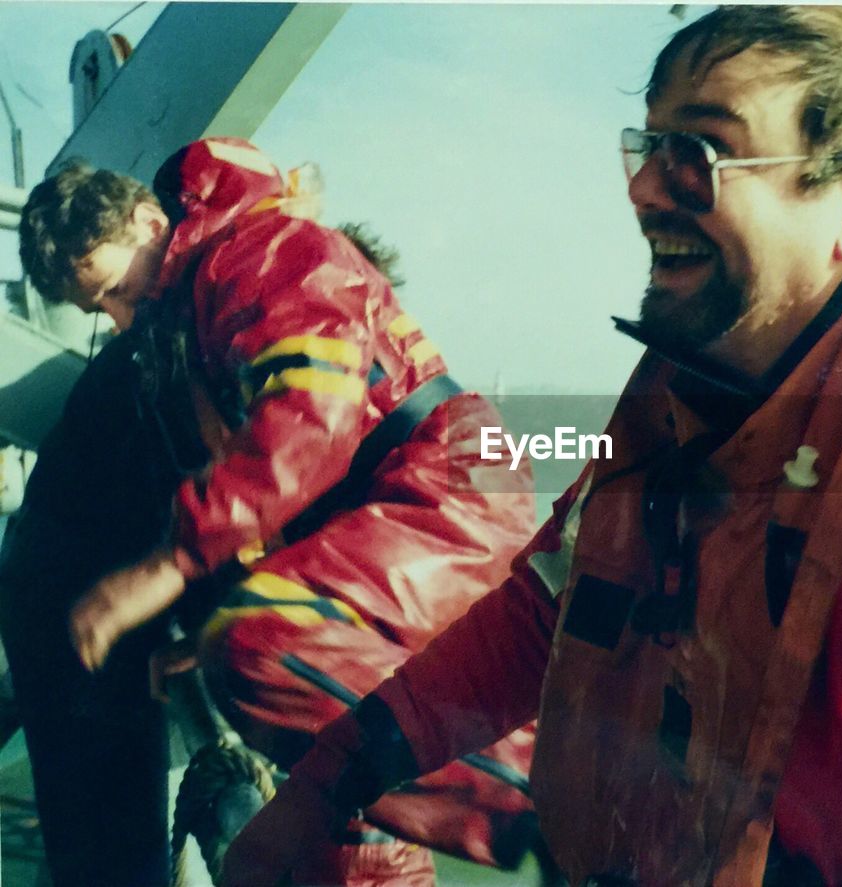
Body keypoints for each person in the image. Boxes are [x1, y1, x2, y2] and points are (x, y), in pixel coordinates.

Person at [224, 6, 842, 886]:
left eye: (701, 152)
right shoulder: (688, 394)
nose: (644, 188)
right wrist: (323, 786)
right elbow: (542, 618)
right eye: (645, 148)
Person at [14, 137, 540, 885]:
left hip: (438, 486)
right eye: (97, 307)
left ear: (146, 222)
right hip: (385, 507)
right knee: (330, 816)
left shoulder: (260, 249)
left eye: (114, 288)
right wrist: (203, 622)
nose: (121, 318)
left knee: (262, 642)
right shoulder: (195, 323)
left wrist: (170, 569)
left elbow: (309, 415)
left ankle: (573, 805)